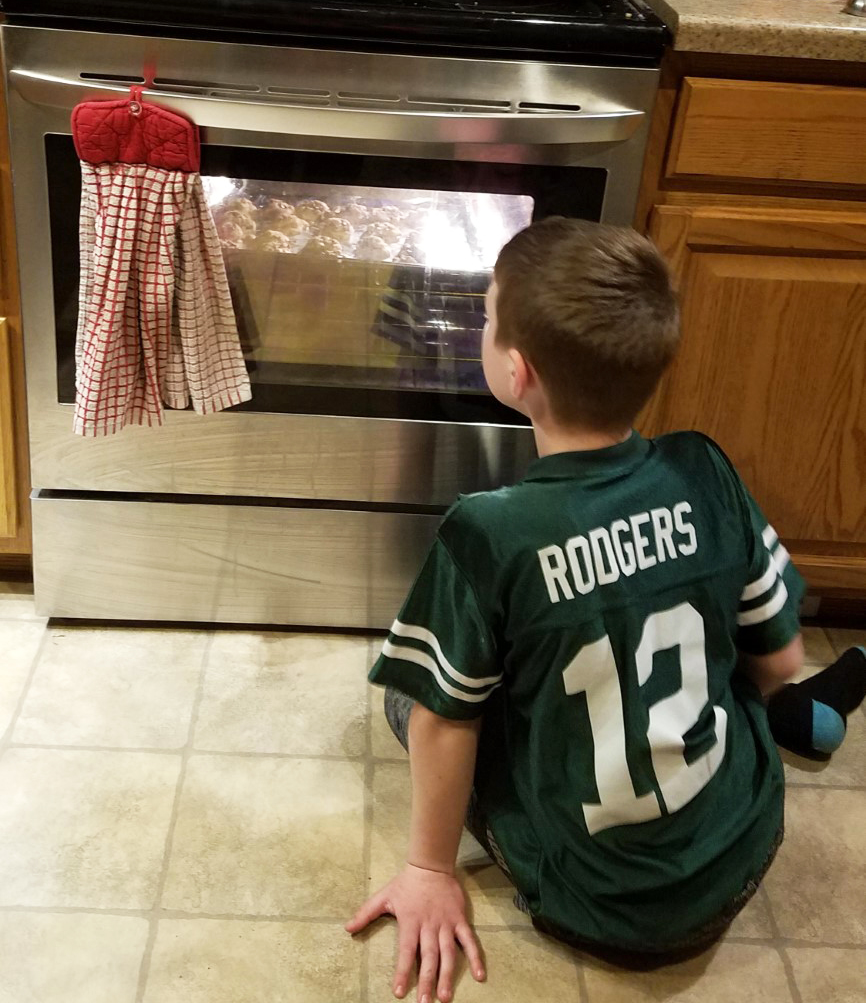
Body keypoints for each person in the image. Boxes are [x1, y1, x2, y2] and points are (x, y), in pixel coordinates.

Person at [346, 218, 864, 1003]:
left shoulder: (490, 530)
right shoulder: (704, 468)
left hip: (597, 904)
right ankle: (806, 719)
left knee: (411, 695)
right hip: (744, 849)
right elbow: (780, 655)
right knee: (732, 661)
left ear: (517, 374)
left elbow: (442, 719)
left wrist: (429, 868)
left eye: (486, 317)